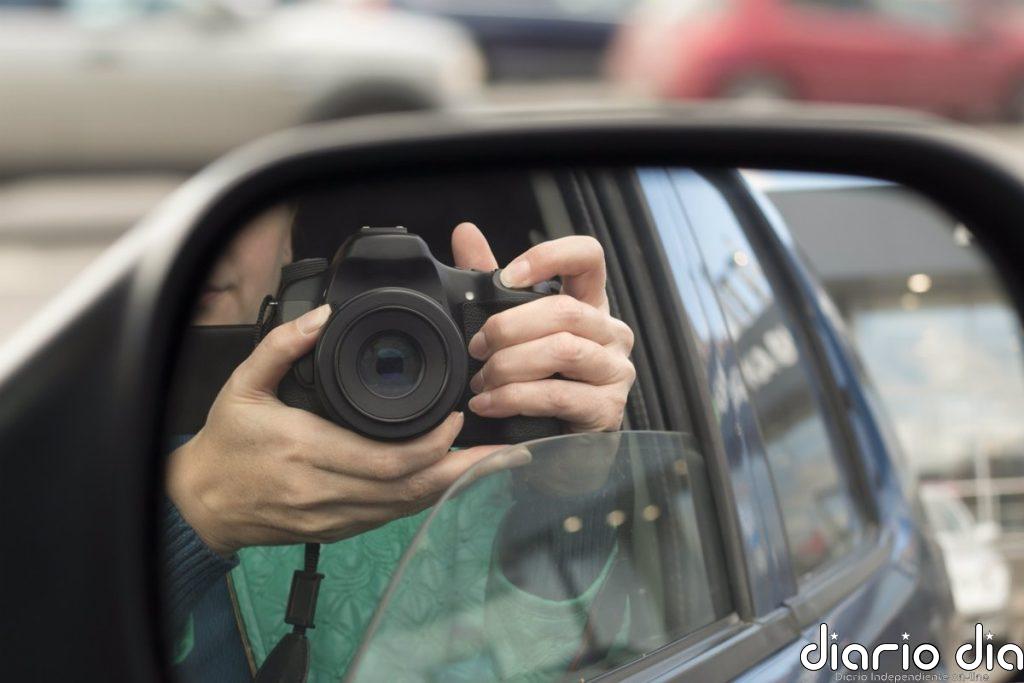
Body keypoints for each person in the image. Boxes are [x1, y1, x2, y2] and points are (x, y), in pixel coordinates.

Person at [163, 214, 636, 681]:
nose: (207, 245)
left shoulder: (487, 449)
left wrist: (568, 487)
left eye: (236, 212)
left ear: (288, 236)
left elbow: (543, 658)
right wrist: (196, 505)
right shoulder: (115, 437)